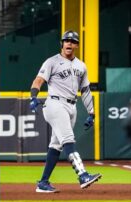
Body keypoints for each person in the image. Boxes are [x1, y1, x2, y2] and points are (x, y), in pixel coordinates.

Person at [29, 30, 102, 193]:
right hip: (55, 104)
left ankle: (43, 183)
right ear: (62, 44)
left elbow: (86, 90)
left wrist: (91, 113)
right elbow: (39, 80)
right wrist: (33, 96)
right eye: (66, 40)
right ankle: (82, 175)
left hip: (71, 106)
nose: (69, 43)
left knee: (56, 145)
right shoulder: (52, 62)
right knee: (68, 139)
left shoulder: (81, 65)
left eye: (72, 41)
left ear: (76, 45)